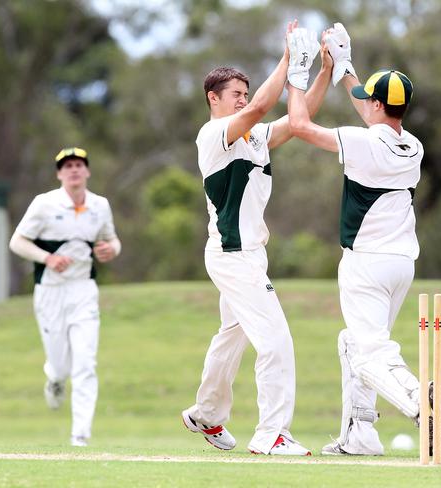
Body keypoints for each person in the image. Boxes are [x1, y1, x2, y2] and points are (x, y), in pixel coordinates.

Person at [181, 22, 327, 456]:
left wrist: (323, 70)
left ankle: (205, 415)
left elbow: (300, 118)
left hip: (248, 254)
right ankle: (272, 434)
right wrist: (288, 59)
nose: (243, 100)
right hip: (233, 253)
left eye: (244, 94)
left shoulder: (253, 136)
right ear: (214, 98)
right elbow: (264, 106)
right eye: (235, 95)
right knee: (276, 340)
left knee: (232, 336)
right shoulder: (213, 135)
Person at [286, 23, 431, 455]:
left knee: (370, 354)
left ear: (376, 103)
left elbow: (298, 124)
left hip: (366, 263)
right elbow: (369, 110)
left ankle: (417, 400)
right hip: (400, 265)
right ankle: (361, 434)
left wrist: (301, 71)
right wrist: (345, 67)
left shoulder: (362, 142)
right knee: (354, 342)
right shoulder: (414, 147)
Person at [9, 147, 121, 447]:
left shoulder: (100, 205)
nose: (74, 170)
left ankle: (80, 435)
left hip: (84, 290)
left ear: (87, 171)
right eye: (67, 166)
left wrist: (112, 249)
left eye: (79, 165)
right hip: (50, 292)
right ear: (60, 173)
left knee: (85, 363)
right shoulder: (44, 204)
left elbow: (111, 239)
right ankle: (55, 379)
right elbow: (17, 242)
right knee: (61, 366)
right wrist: (46, 258)